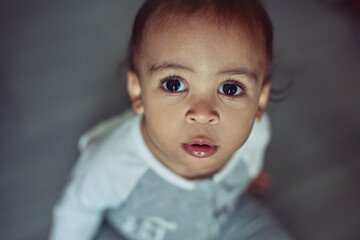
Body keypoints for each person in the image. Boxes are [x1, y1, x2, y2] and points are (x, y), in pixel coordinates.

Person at [49, 0, 292, 239]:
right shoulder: (112, 163)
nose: (203, 113)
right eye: (173, 84)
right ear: (138, 92)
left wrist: (248, 174)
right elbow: (76, 210)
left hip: (224, 218)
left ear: (259, 100)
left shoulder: (255, 135)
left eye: (230, 88)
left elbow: (252, 155)